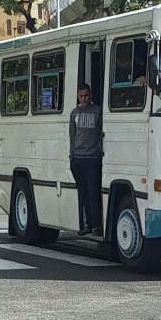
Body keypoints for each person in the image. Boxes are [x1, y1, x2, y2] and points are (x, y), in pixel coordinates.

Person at [69, 84, 103, 237]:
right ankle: (87, 224)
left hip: (92, 158)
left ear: (91, 95)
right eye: (81, 96)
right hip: (78, 158)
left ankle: (96, 225)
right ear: (78, 96)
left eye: (86, 96)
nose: (83, 98)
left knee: (93, 193)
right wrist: (72, 156)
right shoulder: (74, 113)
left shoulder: (98, 112)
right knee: (83, 194)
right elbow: (72, 136)